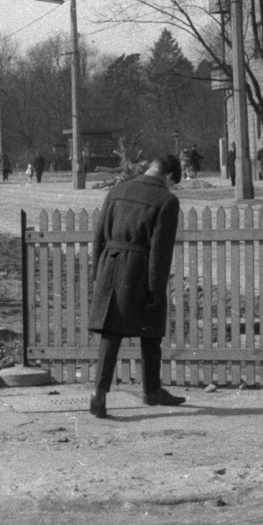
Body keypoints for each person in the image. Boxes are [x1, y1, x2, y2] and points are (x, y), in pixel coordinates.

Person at [86, 154, 186, 418]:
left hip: (111, 264)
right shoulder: (167, 200)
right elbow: (160, 251)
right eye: (173, 183)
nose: (172, 187)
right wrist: (155, 288)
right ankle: (151, 390)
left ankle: (100, 392)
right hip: (140, 268)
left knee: (111, 332)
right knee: (152, 327)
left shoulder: (118, 189)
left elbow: (98, 235)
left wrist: (98, 271)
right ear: (169, 177)